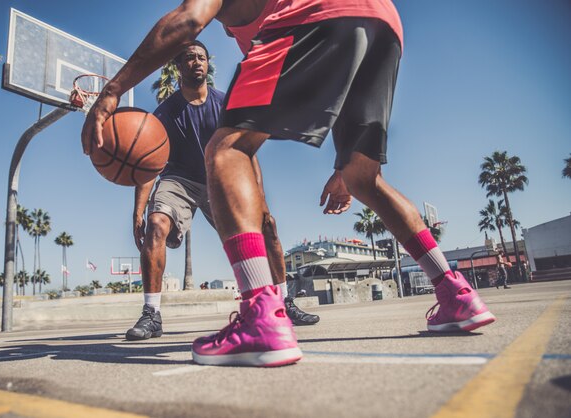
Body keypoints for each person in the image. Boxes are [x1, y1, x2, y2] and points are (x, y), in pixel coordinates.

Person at [82, 0, 495, 367]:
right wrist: (343, 164)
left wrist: (113, 90)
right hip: (382, 22)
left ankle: (261, 316)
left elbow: (189, 18)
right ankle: (454, 292)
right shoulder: (210, 74)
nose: (223, 28)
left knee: (225, 150)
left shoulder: (261, 24)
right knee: (363, 178)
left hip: (315, 17)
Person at [125, 41, 319, 341]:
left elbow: (247, 152)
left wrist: (260, 198)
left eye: (202, 57)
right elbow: (149, 163)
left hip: (222, 176)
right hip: (180, 180)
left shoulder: (226, 105)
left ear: (208, 64)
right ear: (178, 66)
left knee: (267, 226)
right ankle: (152, 314)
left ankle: (283, 303)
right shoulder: (165, 113)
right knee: (156, 224)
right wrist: (139, 211)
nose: (197, 62)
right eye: (189, 57)